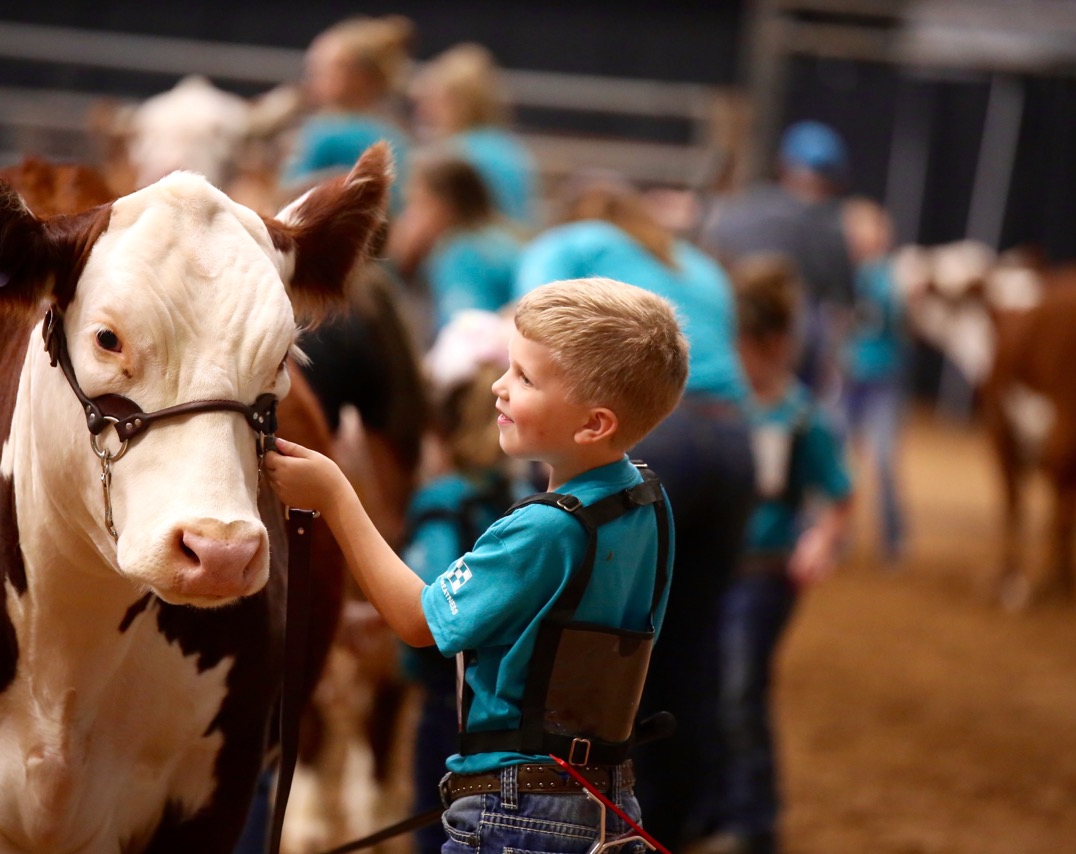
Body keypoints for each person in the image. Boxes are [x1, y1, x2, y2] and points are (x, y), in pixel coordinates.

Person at [266, 277, 690, 854]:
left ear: (594, 424)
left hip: (516, 808)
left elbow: (419, 623)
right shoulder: (647, 497)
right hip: (603, 796)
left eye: (525, 378)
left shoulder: (543, 528)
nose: (498, 386)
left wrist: (335, 497)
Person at [513, 174, 757, 850]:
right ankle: (683, 825)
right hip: (734, 443)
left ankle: (579, 820)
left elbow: (528, 326)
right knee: (694, 644)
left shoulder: (574, 243)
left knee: (596, 644)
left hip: (656, 436)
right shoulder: (700, 266)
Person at [704, 254, 853, 854]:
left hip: (764, 573)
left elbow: (840, 493)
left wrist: (819, 540)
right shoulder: (721, 408)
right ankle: (714, 809)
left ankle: (752, 819)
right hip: (715, 570)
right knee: (710, 688)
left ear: (767, 344)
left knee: (741, 690)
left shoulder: (798, 417)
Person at [398, 309, 525, 854]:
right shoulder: (517, 499)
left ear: (443, 426)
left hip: (446, 698)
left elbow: (429, 601)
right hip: (502, 700)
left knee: (436, 819)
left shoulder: (441, 502)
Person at [701, 120, 856, 406]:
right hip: (793, 339)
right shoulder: (829, 224)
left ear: (784, 166)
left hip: (728, 325)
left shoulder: (745, 205)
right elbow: (844, 299)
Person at [280, 14, 415, 211]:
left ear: (358, 77)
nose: (311, 77)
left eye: (322, 69)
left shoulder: (329, 132)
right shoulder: (395, 134)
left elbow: (287, 199)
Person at [386, 152, 525, 338]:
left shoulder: (462, 253)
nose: (408, 217)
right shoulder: (505, 236)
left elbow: (467, 336)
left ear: (446, 204)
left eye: (417, 203)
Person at [839, 196, 909, 565]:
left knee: (882, 460)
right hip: (848, 379)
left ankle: (894, 541)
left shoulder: (891, 276)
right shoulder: (843, 273)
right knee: (838, 461)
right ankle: (838, 535)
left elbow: (899, 319)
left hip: (882, 380)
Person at [409, 42, 539, 229]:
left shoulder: (456, 155)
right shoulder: (508, 147)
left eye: (432, 100)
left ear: (455, 102)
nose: (422, 112)